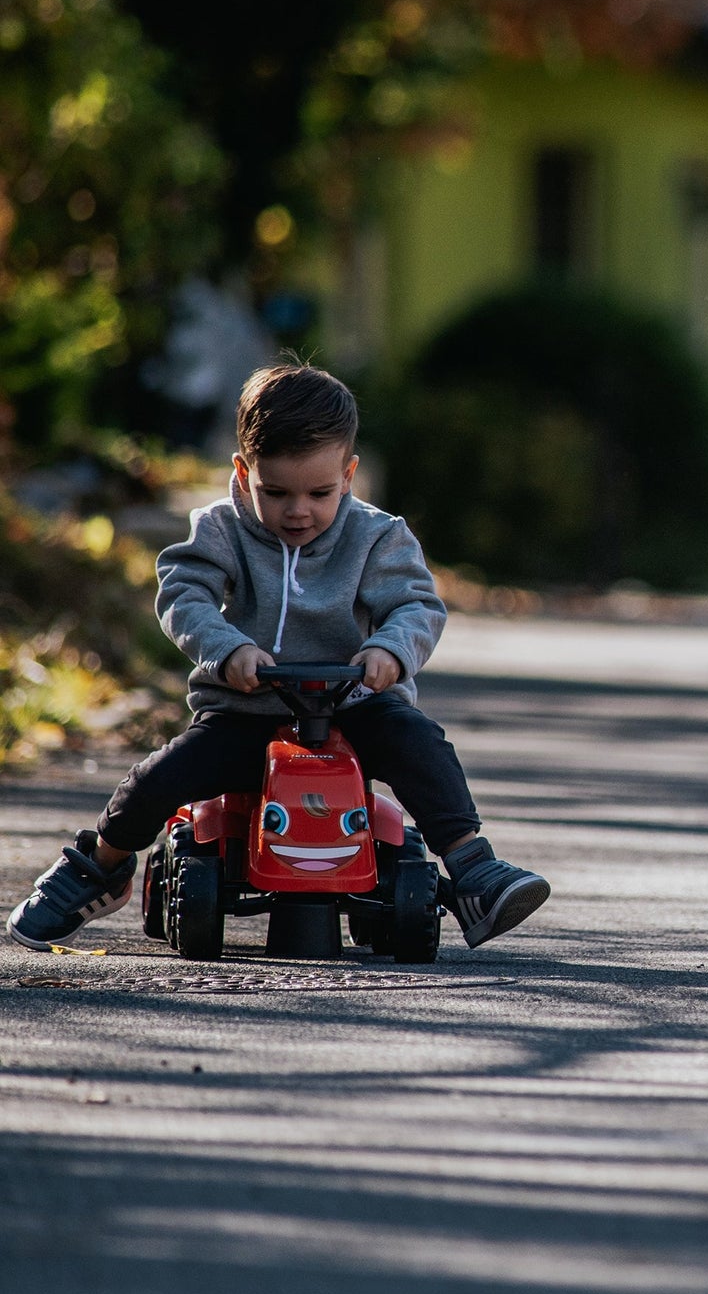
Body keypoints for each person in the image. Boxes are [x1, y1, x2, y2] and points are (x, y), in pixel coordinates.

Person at [7, 363, 549, 952]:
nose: (298, 511)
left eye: (320, 493)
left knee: (423, 744)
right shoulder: (221, 530)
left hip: (355, 710)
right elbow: (183, 594)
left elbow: (416, 606)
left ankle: (471, 867)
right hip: (247, 711)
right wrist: (227, 649)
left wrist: (389, 651)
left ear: (349, 474)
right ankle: (99, 867)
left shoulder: (378, 537)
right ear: (243, 474)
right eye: (276, 492)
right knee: (156, 780)